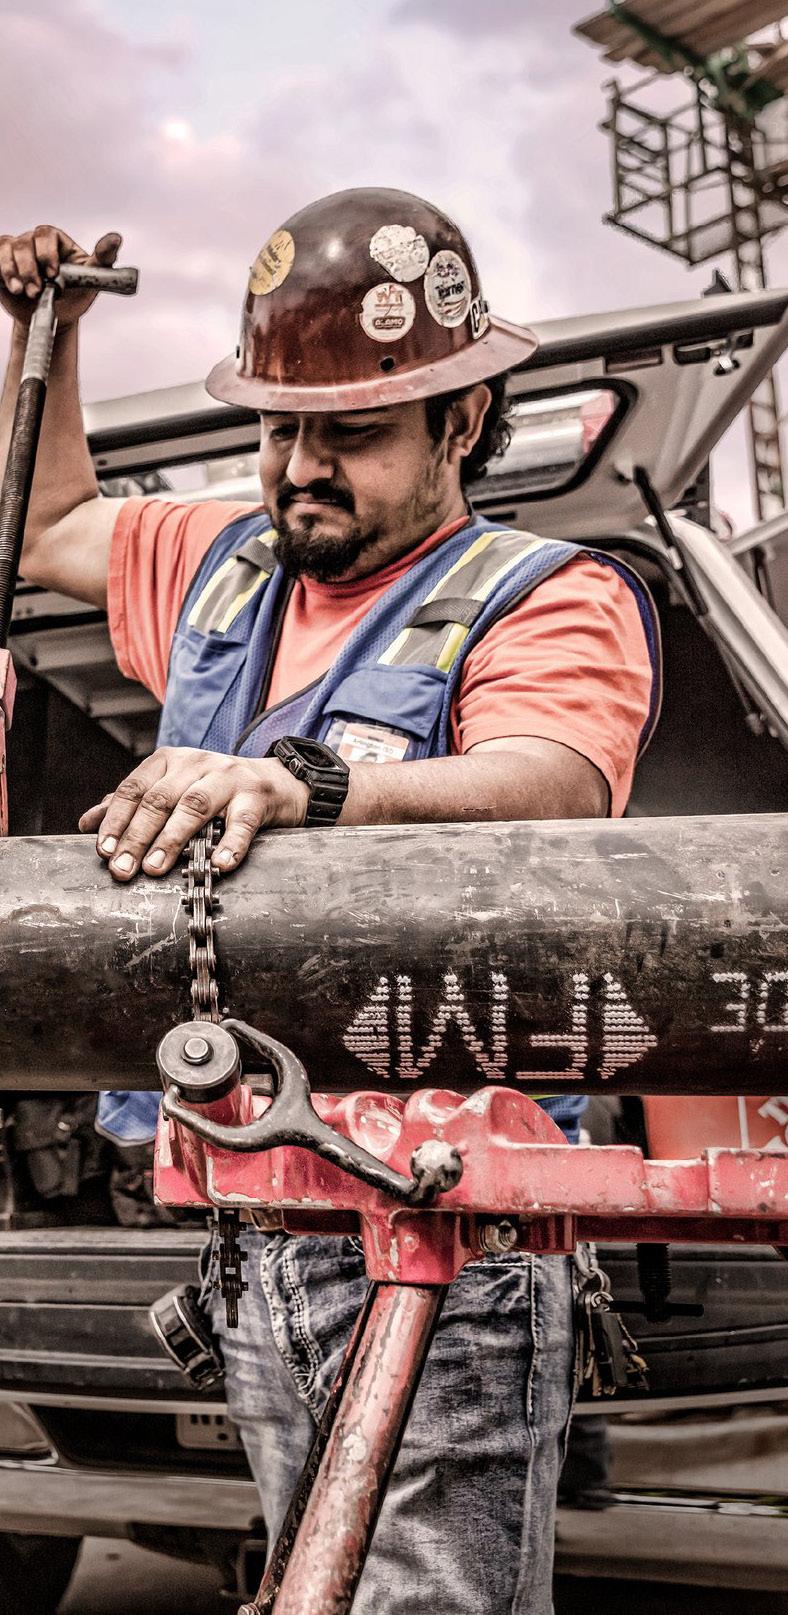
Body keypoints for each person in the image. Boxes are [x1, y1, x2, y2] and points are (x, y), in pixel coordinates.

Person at [0, 190, 659, 1614]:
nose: (301, 469)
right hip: (255, 1224)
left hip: (445, 1230)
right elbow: (48, 524)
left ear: (463, 420)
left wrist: (308, 783)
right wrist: (46, 333)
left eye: (349, 433)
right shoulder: (223, 563)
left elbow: (550, 779)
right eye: (279, 428)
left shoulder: (547, 595)